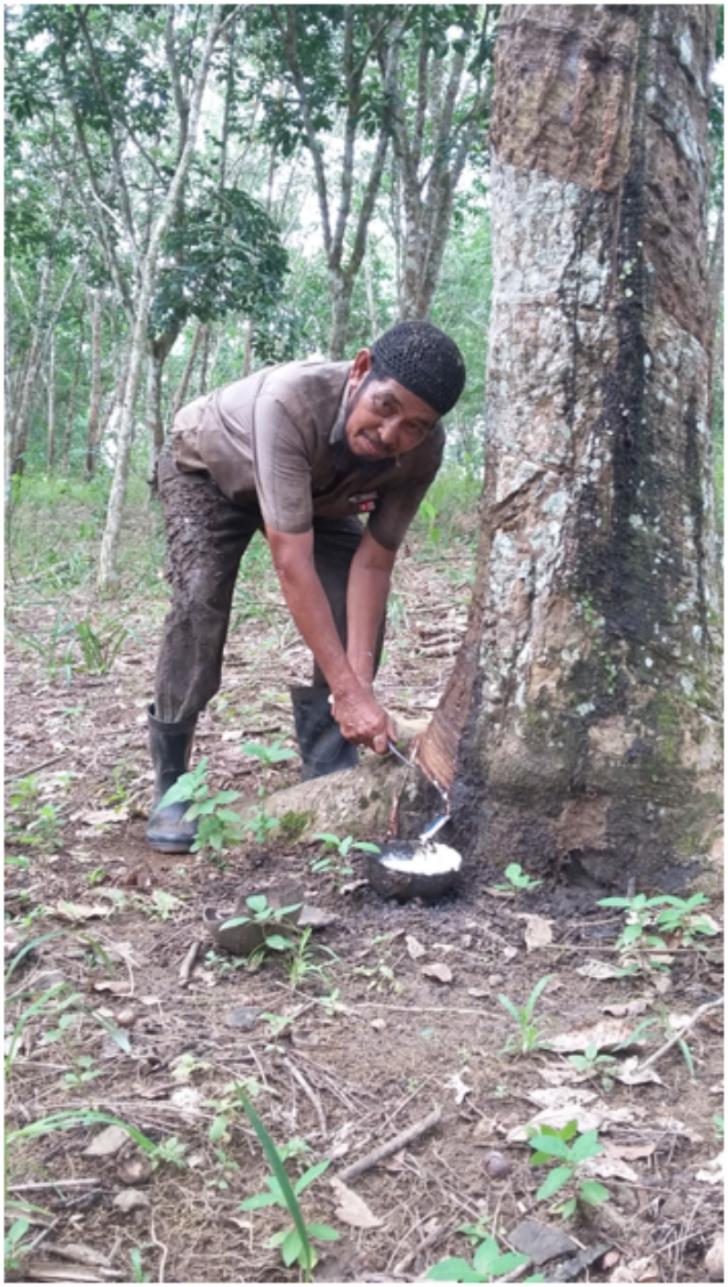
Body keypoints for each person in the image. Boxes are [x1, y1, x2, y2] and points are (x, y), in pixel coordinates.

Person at [146, 319, 466, 852]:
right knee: (200, 598)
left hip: (319, 496)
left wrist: (358, 685)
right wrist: (348, 690)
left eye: (414, 426)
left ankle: (327, 764)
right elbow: (291, 561)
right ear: (360, 370)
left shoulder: (423, 452)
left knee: (350, 606)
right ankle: (173, 781)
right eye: (385, 407)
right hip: (212, 472)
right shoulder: (291, 402)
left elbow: (373, 564)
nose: (391, 435)